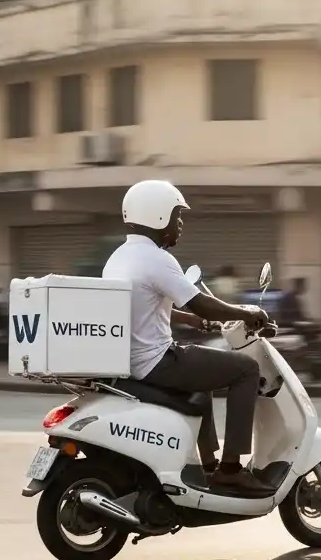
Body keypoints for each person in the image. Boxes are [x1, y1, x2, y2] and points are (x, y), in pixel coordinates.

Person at [103, 179, 274, 496]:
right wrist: (246, 314)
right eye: (176, 215)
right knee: (245, 370)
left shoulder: (120, 257)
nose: (180, 224)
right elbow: (200, 300)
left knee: (203, 371)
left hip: (131, 360)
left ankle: (208, 464)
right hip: (155, 362)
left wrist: (191, 320)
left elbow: (145, 307)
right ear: (157, 216)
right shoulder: (157, 258)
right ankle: (231, 470)